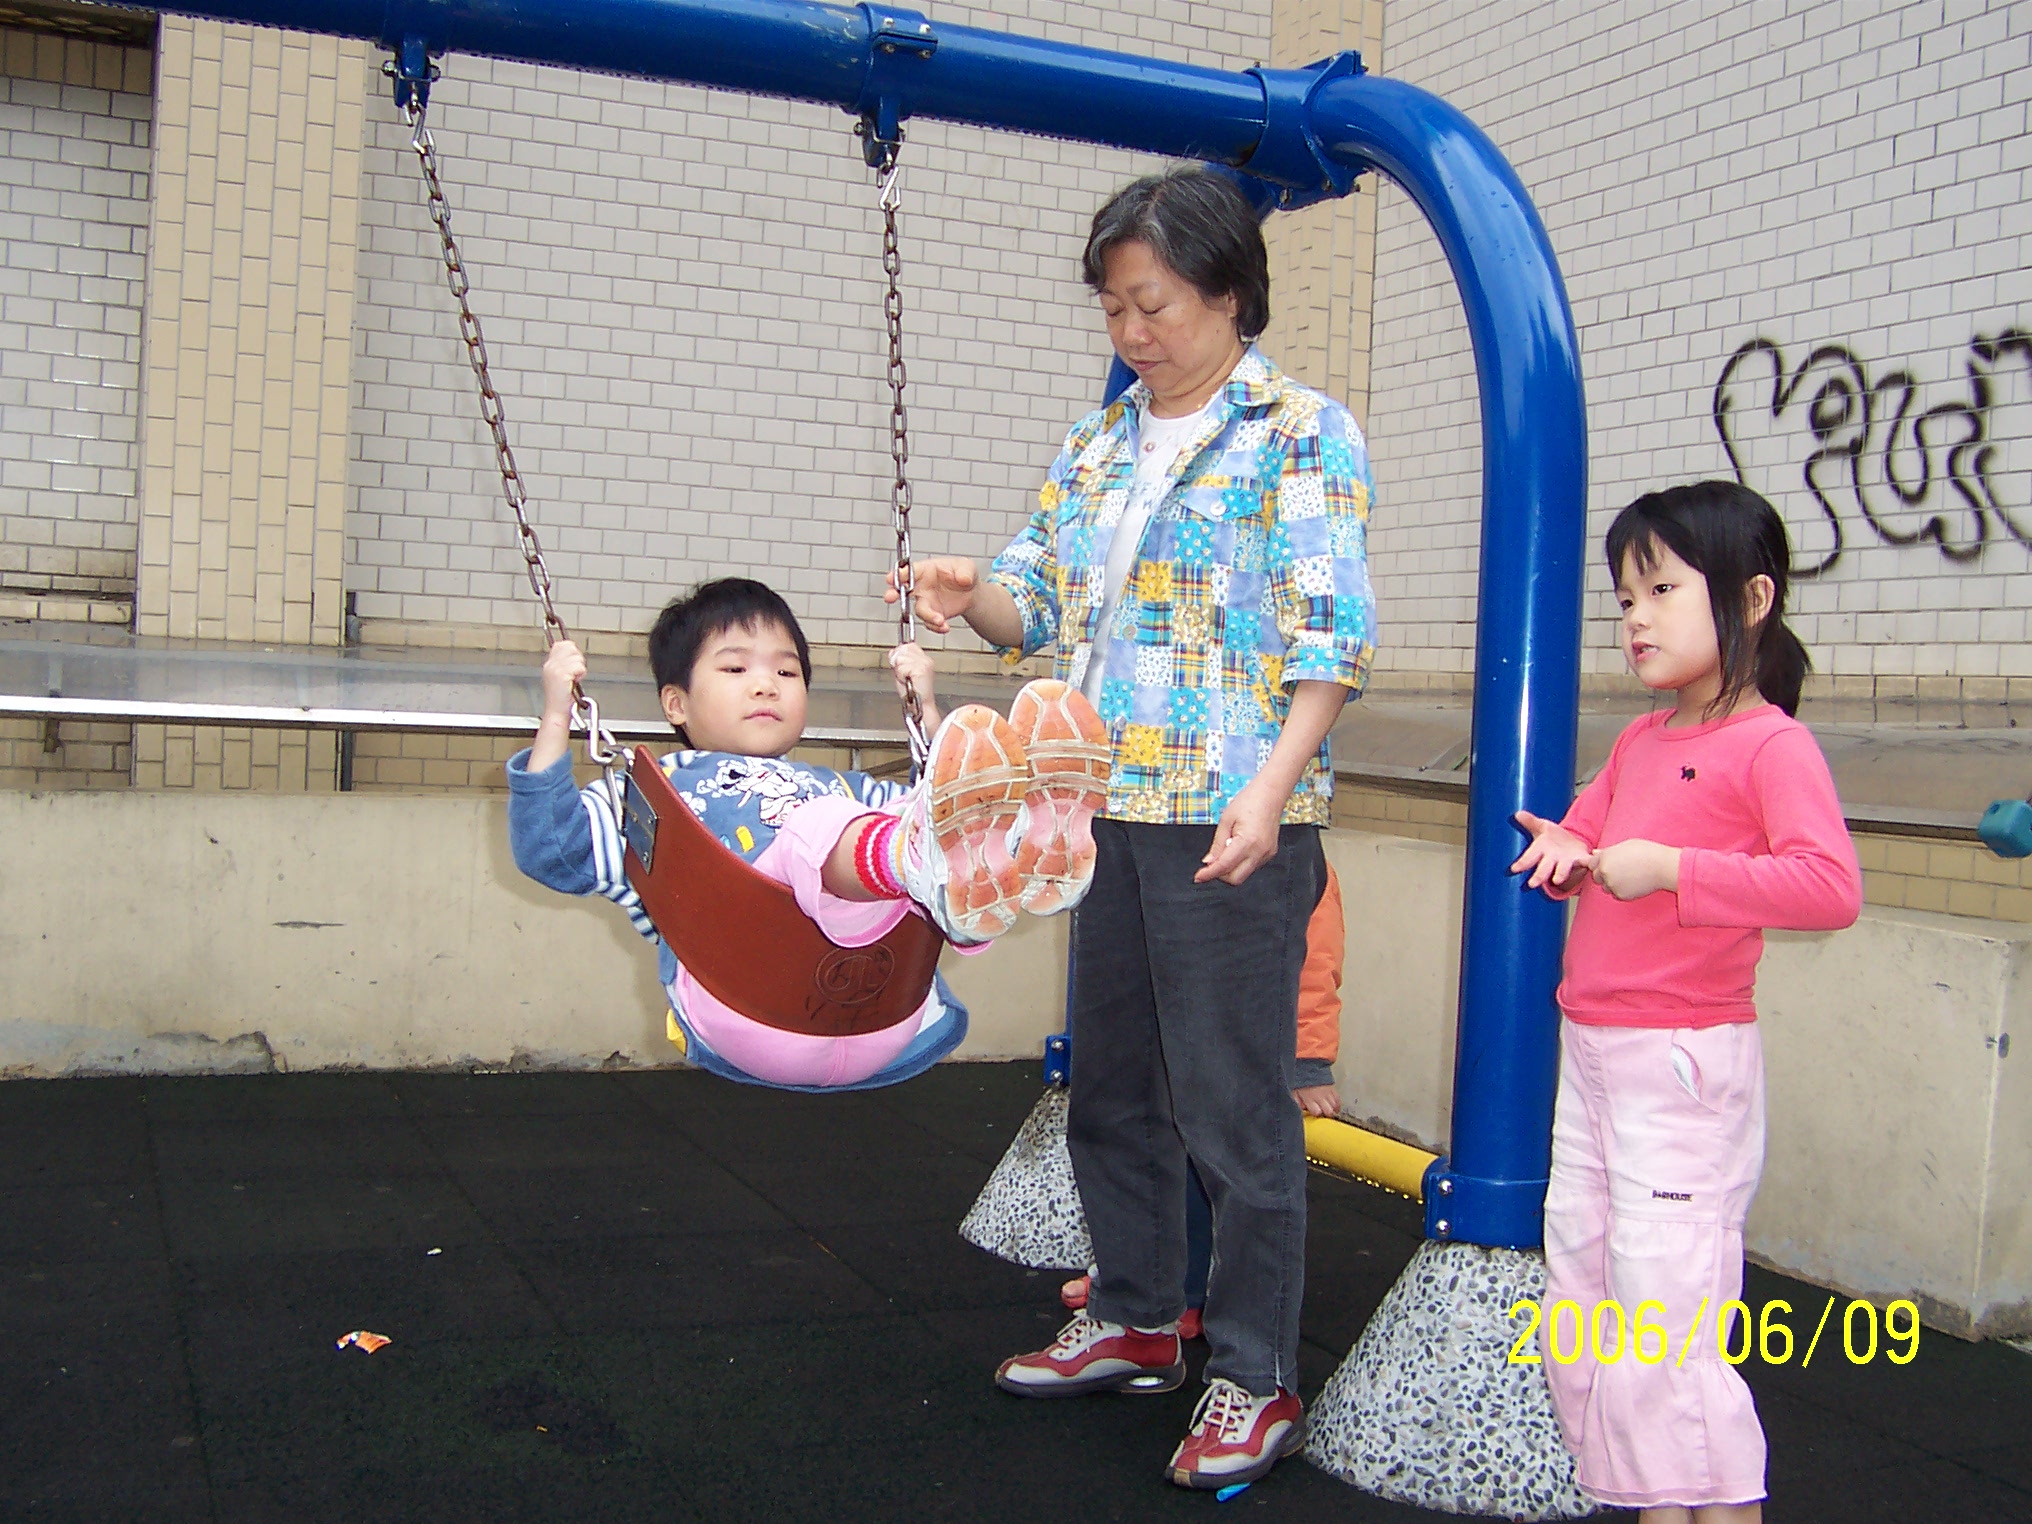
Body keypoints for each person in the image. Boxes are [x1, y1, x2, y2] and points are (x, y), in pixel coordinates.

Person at [893, 167, 1375, 1491]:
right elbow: (1034, 604)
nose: (1131, 331)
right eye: (1113, 307)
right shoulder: (1100, 442)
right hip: (1100, 807)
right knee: (1111, 1085)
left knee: (1232, 1107)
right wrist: (968, 592)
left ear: (1228, 292)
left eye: (1152, 303)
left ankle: (1255, 1377)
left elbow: (1331, 636)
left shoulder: (1298, 432)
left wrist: (1271, 793)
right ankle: (1138, 1316)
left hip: (1228, 816)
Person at [1510, 482, 1862, 1523]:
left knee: (1664, 1321)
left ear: (1750, 599)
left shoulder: (1771, 745)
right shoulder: (1640, 742)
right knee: (1587, 1304)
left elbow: (1828, 887)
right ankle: (1653, 1503)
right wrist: (1565, 854)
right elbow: (1585, 842)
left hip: (1681, 1063)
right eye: (1626, 599)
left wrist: (1672, 868)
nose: (1636, 619)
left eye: (1661, 590)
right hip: (1596, 1053)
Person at [506, 576, 1109, 1091]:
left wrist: (927, 710)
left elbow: (942, 802)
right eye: (735, 668)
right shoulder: (654, 797)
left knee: (909, 815)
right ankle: (935, 861)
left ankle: (1021, 837)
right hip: (750, 1004)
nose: (766, 684)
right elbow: (551, 850)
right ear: (676, 704)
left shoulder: (841, 787)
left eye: (786, 670)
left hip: (885, 1007)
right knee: (820, 827)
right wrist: (557, 715)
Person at [1058, 862, 1348, 1340]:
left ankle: (1192, 1292)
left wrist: (1309, 1059)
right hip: (1174, 1035)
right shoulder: (1163, 853)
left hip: (1229, 1043)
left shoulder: (1288, 860)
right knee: (1152, 1150)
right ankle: (1143, 1280)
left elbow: (1314, 960)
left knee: (1218, 1162)